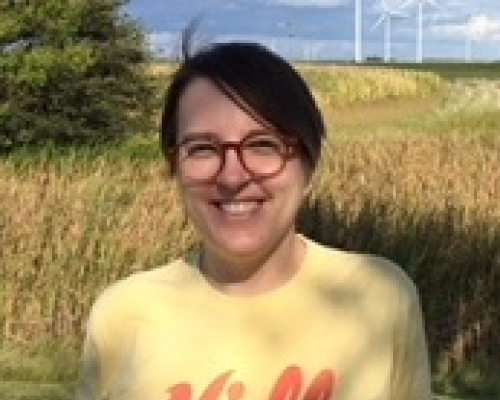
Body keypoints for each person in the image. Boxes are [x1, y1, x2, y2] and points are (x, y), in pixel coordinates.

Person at [76, 30, 432, 400]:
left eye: (263, 145)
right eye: (203, 148)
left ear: (309, 167)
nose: (232, 175)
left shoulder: (380, 296)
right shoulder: (122, 313)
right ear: (174, 167)